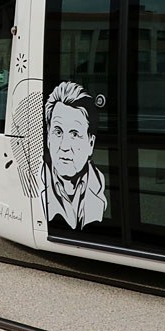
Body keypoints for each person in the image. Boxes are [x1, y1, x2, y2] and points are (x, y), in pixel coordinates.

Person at [42, 81, 106, 229]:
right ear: (48, 138)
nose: (64, 146)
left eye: (75, 134)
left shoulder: (98, 182)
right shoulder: (36, 182)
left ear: (91, 144)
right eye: (58, 132)